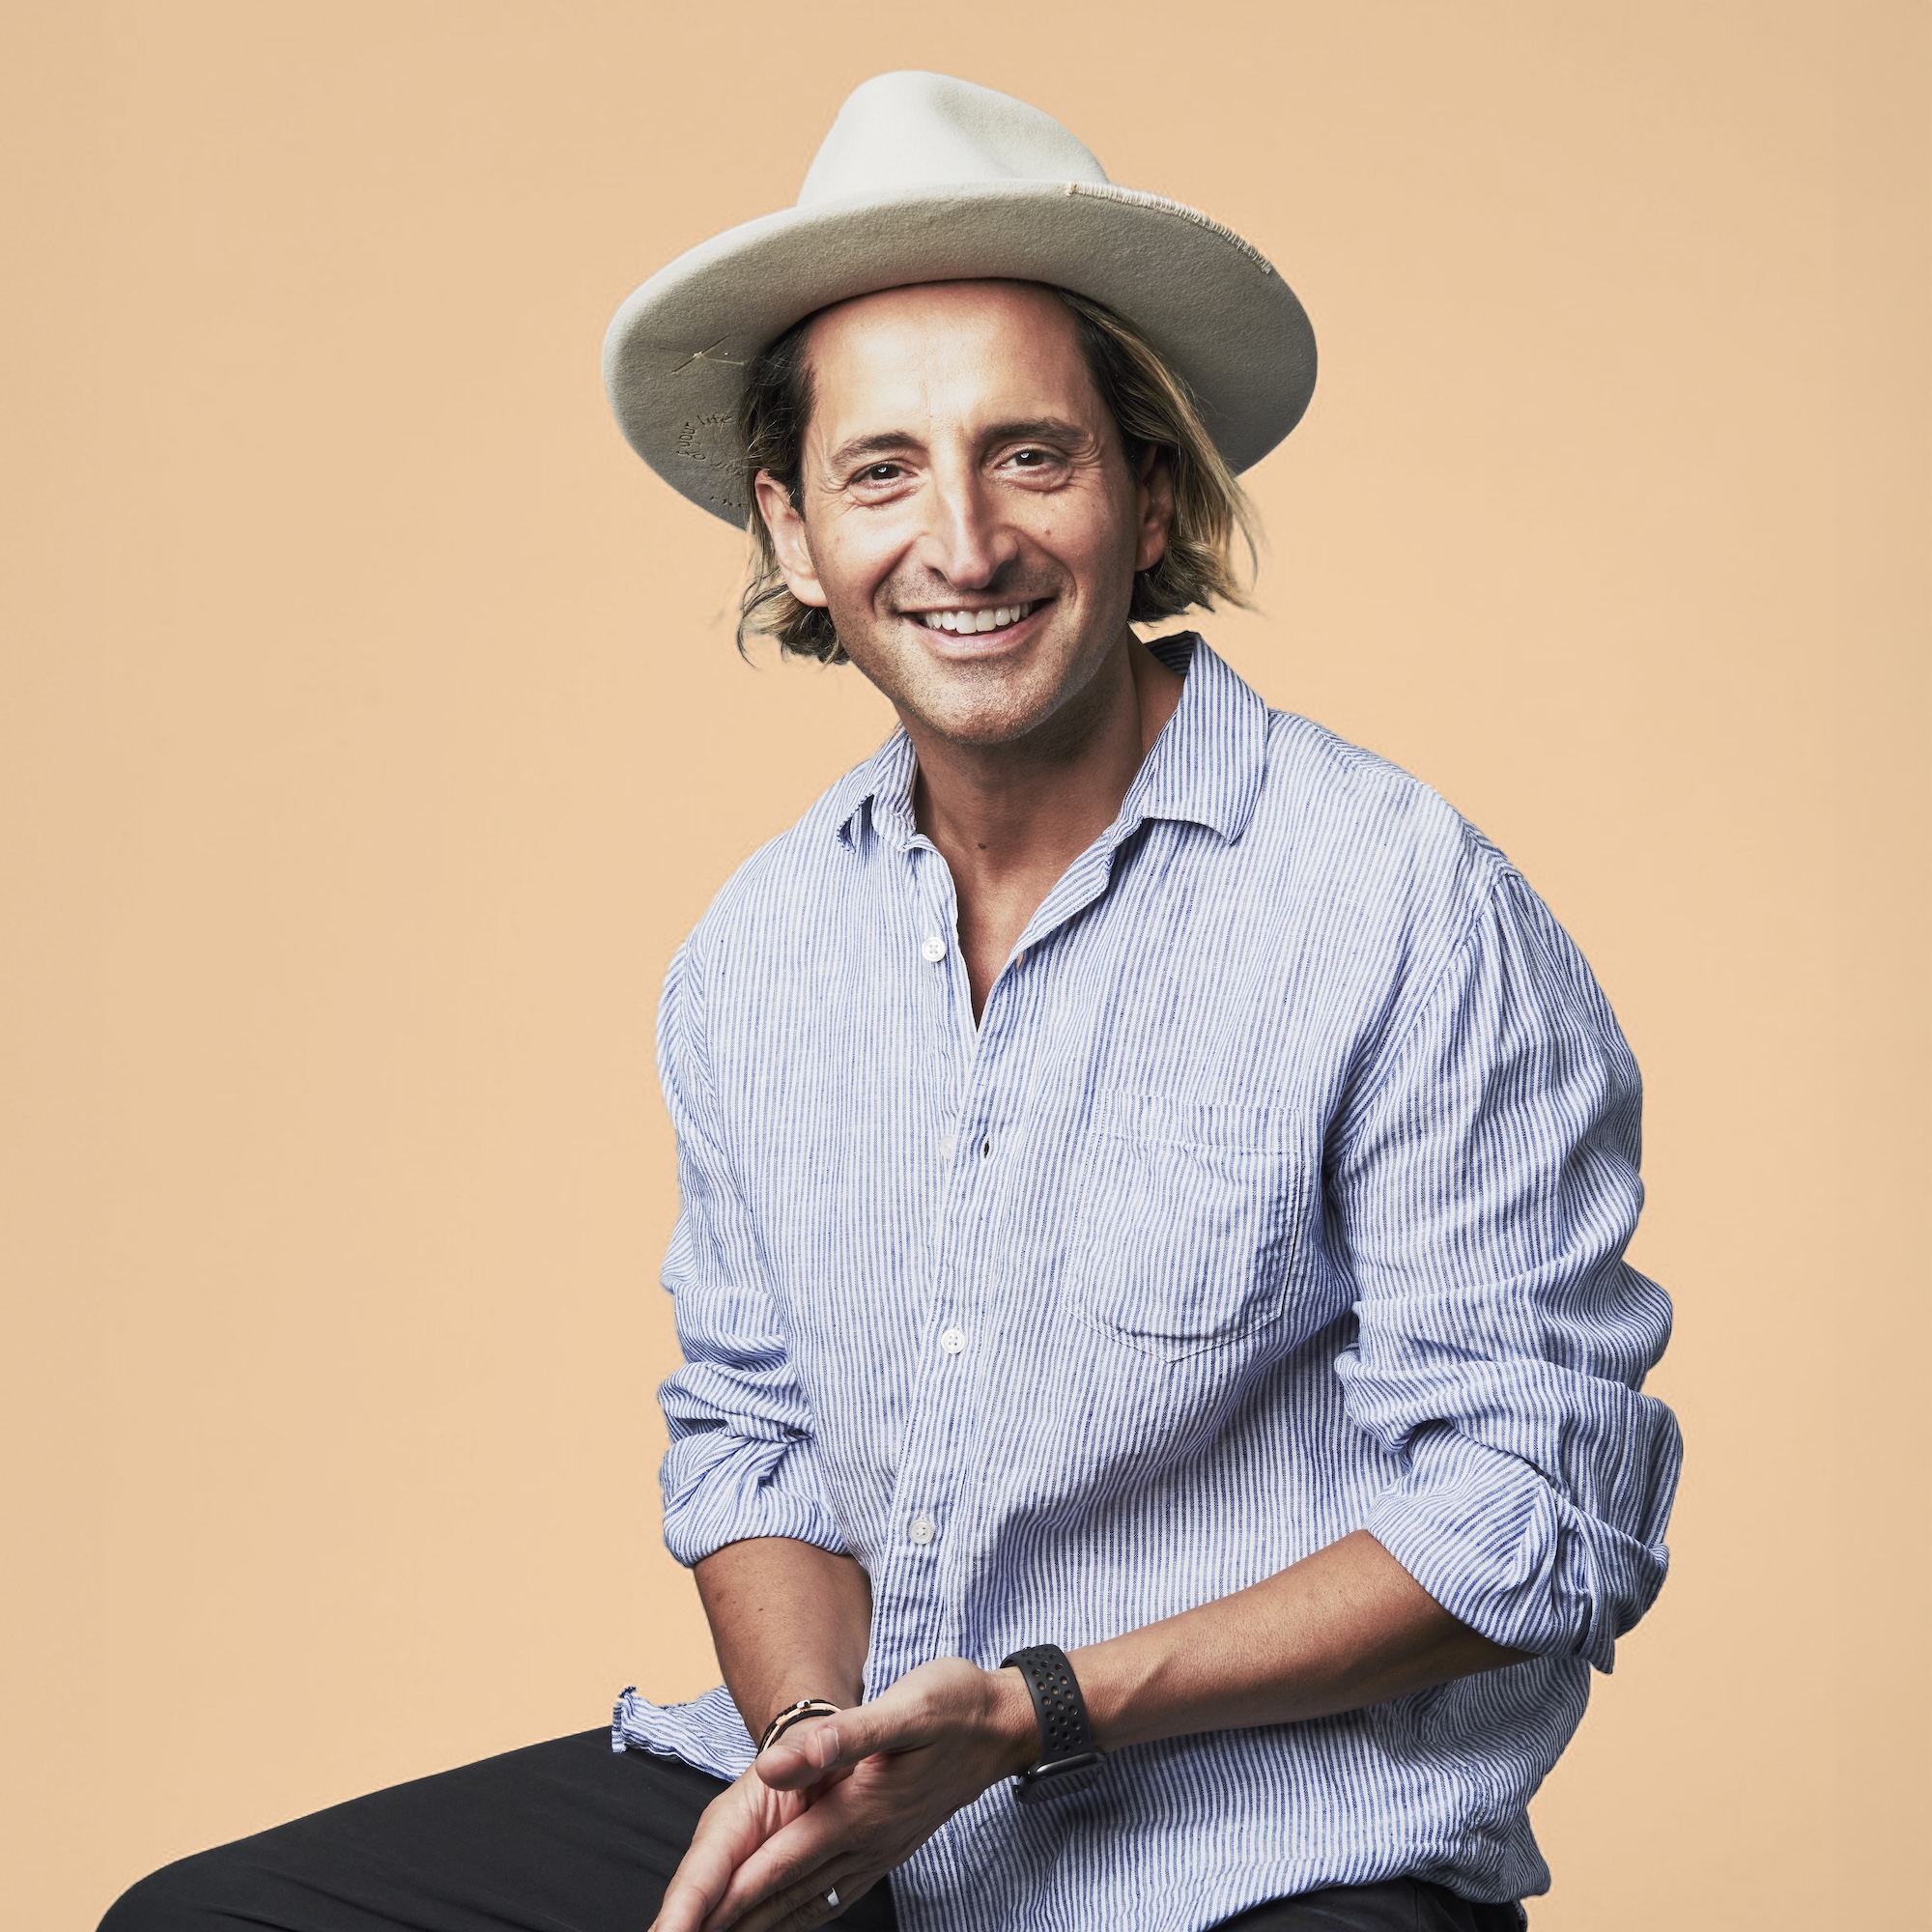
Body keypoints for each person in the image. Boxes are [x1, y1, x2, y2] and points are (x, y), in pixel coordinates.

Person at [101, 71, 1680, 1932]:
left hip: (1279, 1853)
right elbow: (750, 1434)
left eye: (1031, 454)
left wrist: (1033, 1717)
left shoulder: (1406, 913)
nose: (963, 541)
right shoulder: (758, 956)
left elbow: (1531, 1513)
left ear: (1147, 497)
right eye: (880, 470)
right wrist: (821, 1762)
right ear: (791, 533)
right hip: (900, 1823)